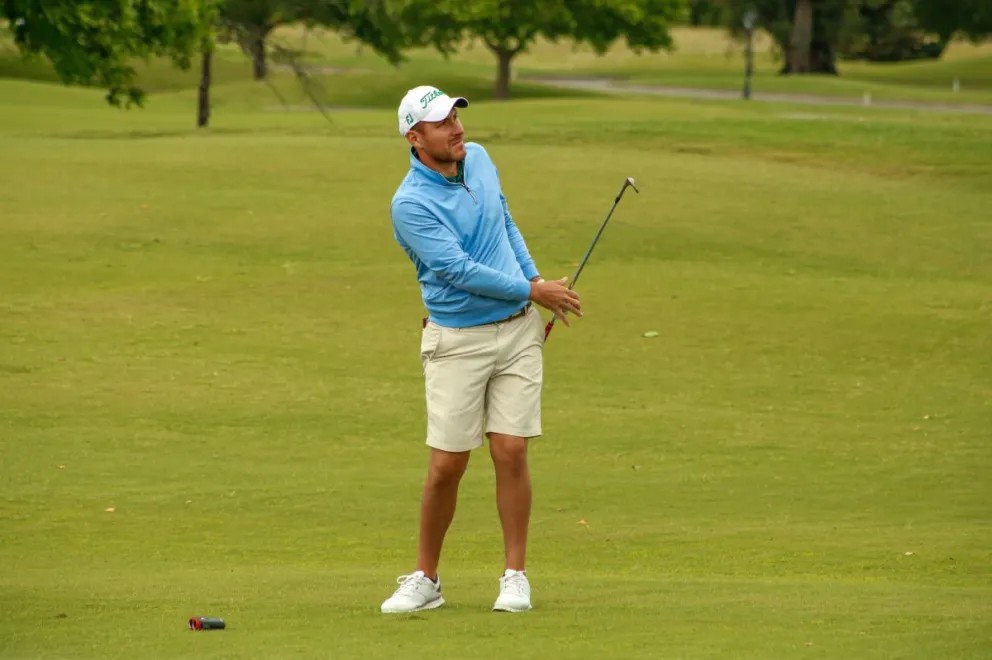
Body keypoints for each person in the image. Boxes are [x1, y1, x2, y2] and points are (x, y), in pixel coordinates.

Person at [380, 86, 582, 614]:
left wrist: (534, 281)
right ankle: (426, 579)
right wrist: (534, 291)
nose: (457, 129)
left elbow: (504, 221)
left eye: (456, 117)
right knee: (447, 464)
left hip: (517, 331)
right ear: (415, 137)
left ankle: (515, 576)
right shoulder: (410, 204)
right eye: (442, 123)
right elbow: (459, 271)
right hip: (456, 341)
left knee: (510, 449)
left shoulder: (482, 160)